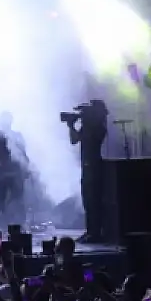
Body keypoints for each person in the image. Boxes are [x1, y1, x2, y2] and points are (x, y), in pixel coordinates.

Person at [66, 100, 109, 242]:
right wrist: (71, 126)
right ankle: (90, 230)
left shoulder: (99, 128)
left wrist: (82, 123)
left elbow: (91, 140)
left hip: (95, 166)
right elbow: (74, 140)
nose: (82, 115)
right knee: (87, 199)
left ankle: (96, 232)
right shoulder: (88, 127)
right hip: (87, 166)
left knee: (94, 199)